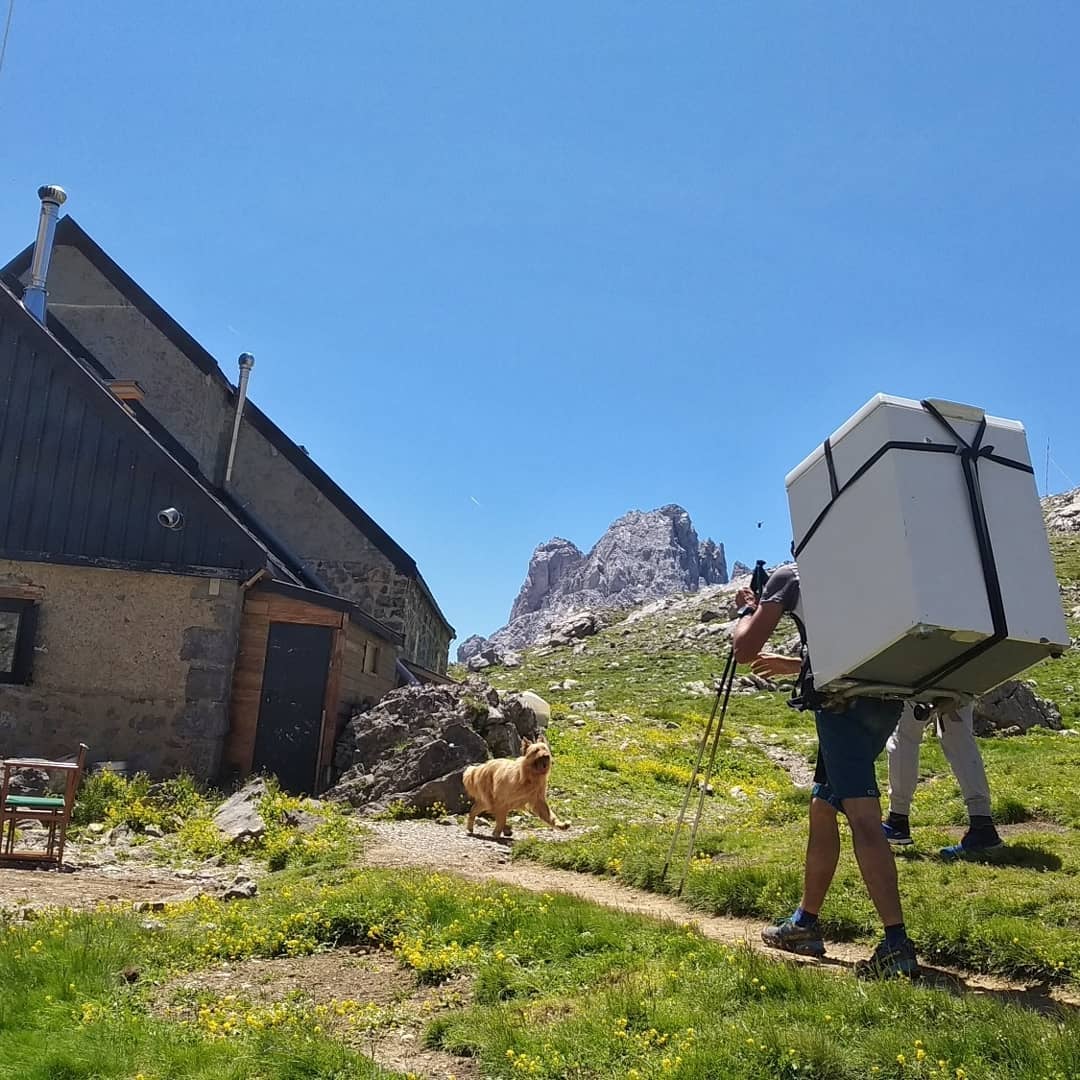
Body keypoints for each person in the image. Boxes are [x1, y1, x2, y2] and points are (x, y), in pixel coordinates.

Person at [733, 563, 918, 978]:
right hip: (883, 698)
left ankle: (897, 945)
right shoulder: (868, 565)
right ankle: (804, 924)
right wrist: (796, 664)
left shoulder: (791, 576)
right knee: (822, 805)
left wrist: (746, 611)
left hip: (840, 707)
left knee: (864, 818)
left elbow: (744, 650)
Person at [883, 701, 1003, 859]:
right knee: (958, 737)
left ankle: (898, 818)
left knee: (905, 735)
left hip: (923, 680)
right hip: (962, 678)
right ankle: (982, 823)